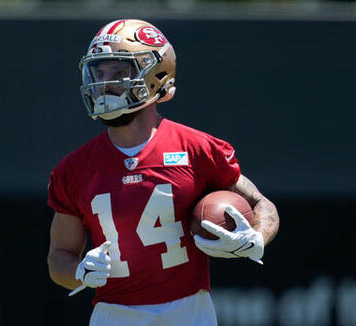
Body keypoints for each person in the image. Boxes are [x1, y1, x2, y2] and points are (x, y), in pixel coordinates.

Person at [47, 19, 279, 326]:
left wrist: (256, 238)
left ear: (157, 76)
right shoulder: (74, 170)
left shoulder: (196, 148)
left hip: (189, 312)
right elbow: (59, 257)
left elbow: (262, 204)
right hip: (113, 315)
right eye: (98, 72)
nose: (104, 84)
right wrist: (78, 272)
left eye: (118, 72)